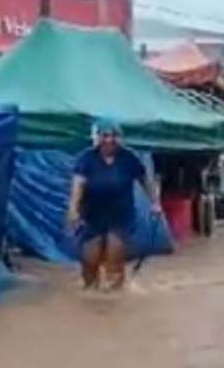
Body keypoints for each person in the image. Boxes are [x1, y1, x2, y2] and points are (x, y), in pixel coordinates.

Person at [66, 119, 161, 290]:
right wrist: (73, 210)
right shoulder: (86, 159)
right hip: (92, 216)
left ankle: (115, 298)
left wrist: (155, 203)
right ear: (97, 137)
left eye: (114, 135)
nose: (109, 140)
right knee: (89, 259)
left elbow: (146, 181)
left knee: (115, 255)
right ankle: (90, 293)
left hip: (120, 215)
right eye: (105, 135)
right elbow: (78, 185)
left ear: (120, 138)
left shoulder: (128, 157)